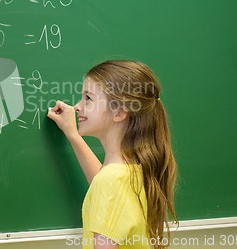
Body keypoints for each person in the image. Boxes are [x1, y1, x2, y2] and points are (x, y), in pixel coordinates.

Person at [48, 60, 178, 249]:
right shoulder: (131, 171)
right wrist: (72, 134)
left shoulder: (111, 181)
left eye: (88, 99)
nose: (77, 107)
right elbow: (103, 183)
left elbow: (105, 185)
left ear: (118, 112)